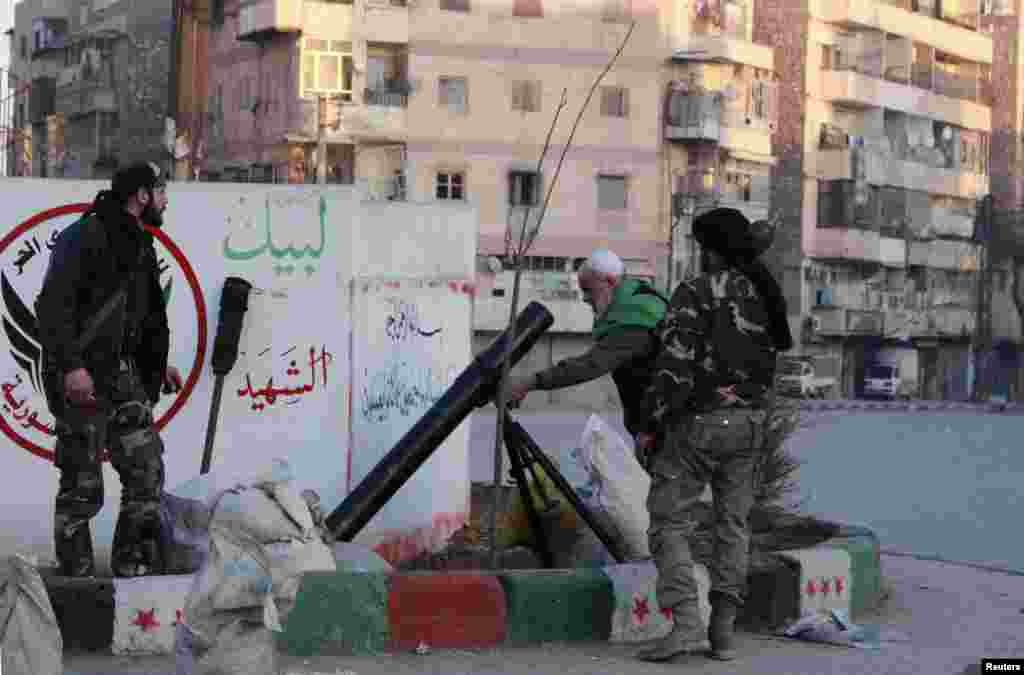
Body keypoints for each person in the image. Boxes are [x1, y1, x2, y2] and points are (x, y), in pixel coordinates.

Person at [632, 208, 793, 662]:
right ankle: (723, 632)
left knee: (669, 522)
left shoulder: (696, 291)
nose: (699, 255)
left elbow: (674, 367)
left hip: (699, 426)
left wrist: (650, 425)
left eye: (703, 248)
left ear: (713, 251)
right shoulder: (766, 293)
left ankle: (685, 624)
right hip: (752, 426)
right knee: (732, 525)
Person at [36, 161, 184, 578]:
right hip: (81, 378)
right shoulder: (83, 237)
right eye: (161, 191)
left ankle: (130, 564)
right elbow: (52, 309)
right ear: (142, 195)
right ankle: (76, 577)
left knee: (146, 470)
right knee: (82, 484)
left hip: (122, 377)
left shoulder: (138, 242)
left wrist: (155, 368)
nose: (165, 200)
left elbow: (132, 318)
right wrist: (71, 368)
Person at [504, 249, 668, 440]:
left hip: (669, 430)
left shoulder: (636, 316)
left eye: (588, 289)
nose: (584, 298)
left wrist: (528, 382)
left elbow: (591, 364)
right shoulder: (637, 298)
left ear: (610, 282)